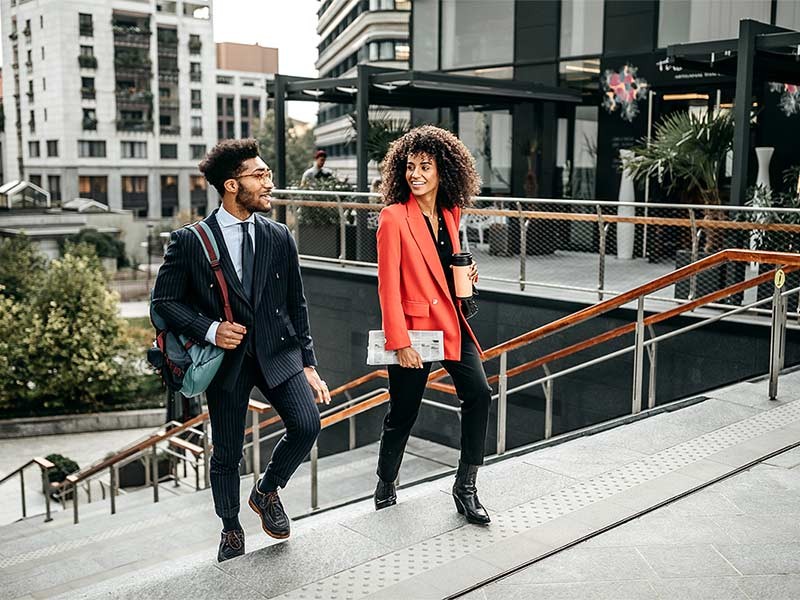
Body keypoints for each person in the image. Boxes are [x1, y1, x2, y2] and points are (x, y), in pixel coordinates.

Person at [151, 138, 331, 562]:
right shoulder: (190, 240)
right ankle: (231, 528)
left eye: (267, 173)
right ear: (232, 185)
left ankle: (267, 491)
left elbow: (296, 304)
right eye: (260, 175)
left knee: (307, 425)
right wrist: (211, 329)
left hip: (279, 353)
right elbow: (163, 303)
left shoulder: (279, 235)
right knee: (227, 454)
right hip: (227, 364)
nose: (269, 181)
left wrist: (308, 364)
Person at [373, 125, 492, 525]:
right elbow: (387, 284)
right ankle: (386, 481)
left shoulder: (450, 212)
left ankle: (466, 486)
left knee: (479, 393)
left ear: (445, 171)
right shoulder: (393, 217)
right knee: (402, 413)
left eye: (425, 166)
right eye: (410, 167)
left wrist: (468, 275)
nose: (416, 174)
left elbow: (446, 271)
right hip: (415, 331)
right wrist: (399, 341)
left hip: (452, 323)